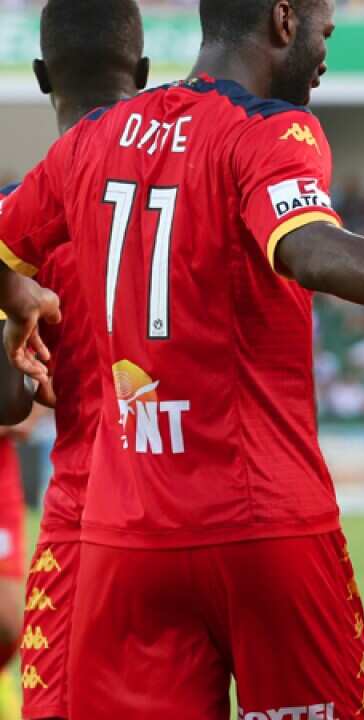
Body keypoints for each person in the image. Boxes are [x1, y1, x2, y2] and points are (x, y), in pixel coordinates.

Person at [0, 0, 364, 716]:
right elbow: (308, 248)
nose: (326, 52)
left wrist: (19, 297)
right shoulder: (268, 130)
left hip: (126, 540)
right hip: (263, 525)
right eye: (324, 28)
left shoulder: (95, 141)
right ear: (284, 20)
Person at [0, 3, 152, 718]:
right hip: (197, 508)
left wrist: (17, 317)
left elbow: (10, 401)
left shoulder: (18, 221)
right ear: (143, 75)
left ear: (41, 76)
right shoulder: (191, 192)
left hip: (85, 518)